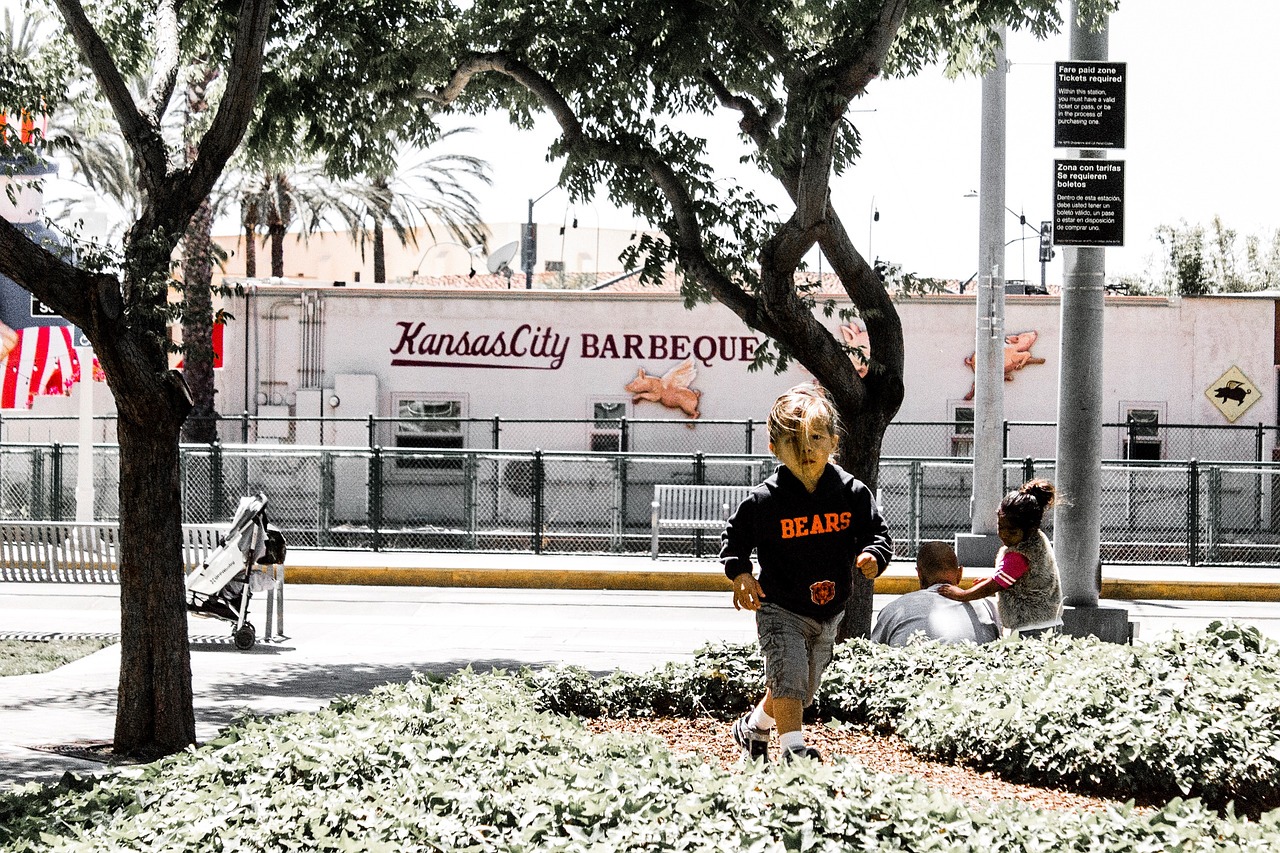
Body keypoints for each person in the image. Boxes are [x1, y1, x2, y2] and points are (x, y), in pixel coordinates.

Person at [720, 383, 893, 763]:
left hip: (830, 611)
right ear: (773, 447)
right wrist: (741, 574)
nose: (806, 448)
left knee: (801, 688)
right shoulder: (765, 500)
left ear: (834, 441)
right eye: (792, 440)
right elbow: (734, 539)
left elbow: (878, 532)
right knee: (790, 677)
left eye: (816, 437)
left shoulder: (851, 492)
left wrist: (873, 554)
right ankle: (793, 751)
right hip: (780, 606)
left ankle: (754, 727)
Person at [938, 478, 1063, 637]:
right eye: (1000, 527)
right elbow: (1013, 577)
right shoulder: (1037, 541)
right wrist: (995, 577)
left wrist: (962, 595)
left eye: (1012, 531)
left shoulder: (1019, 554)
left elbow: (994, 585)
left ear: (1030, 529)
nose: (1003, 534)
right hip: (1049, 620)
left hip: (1032, 626)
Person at [871, 540, 1000, 646]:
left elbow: (875, 651)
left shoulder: (894, 609)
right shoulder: (986, 607)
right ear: (960, 574)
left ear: (919, 574)